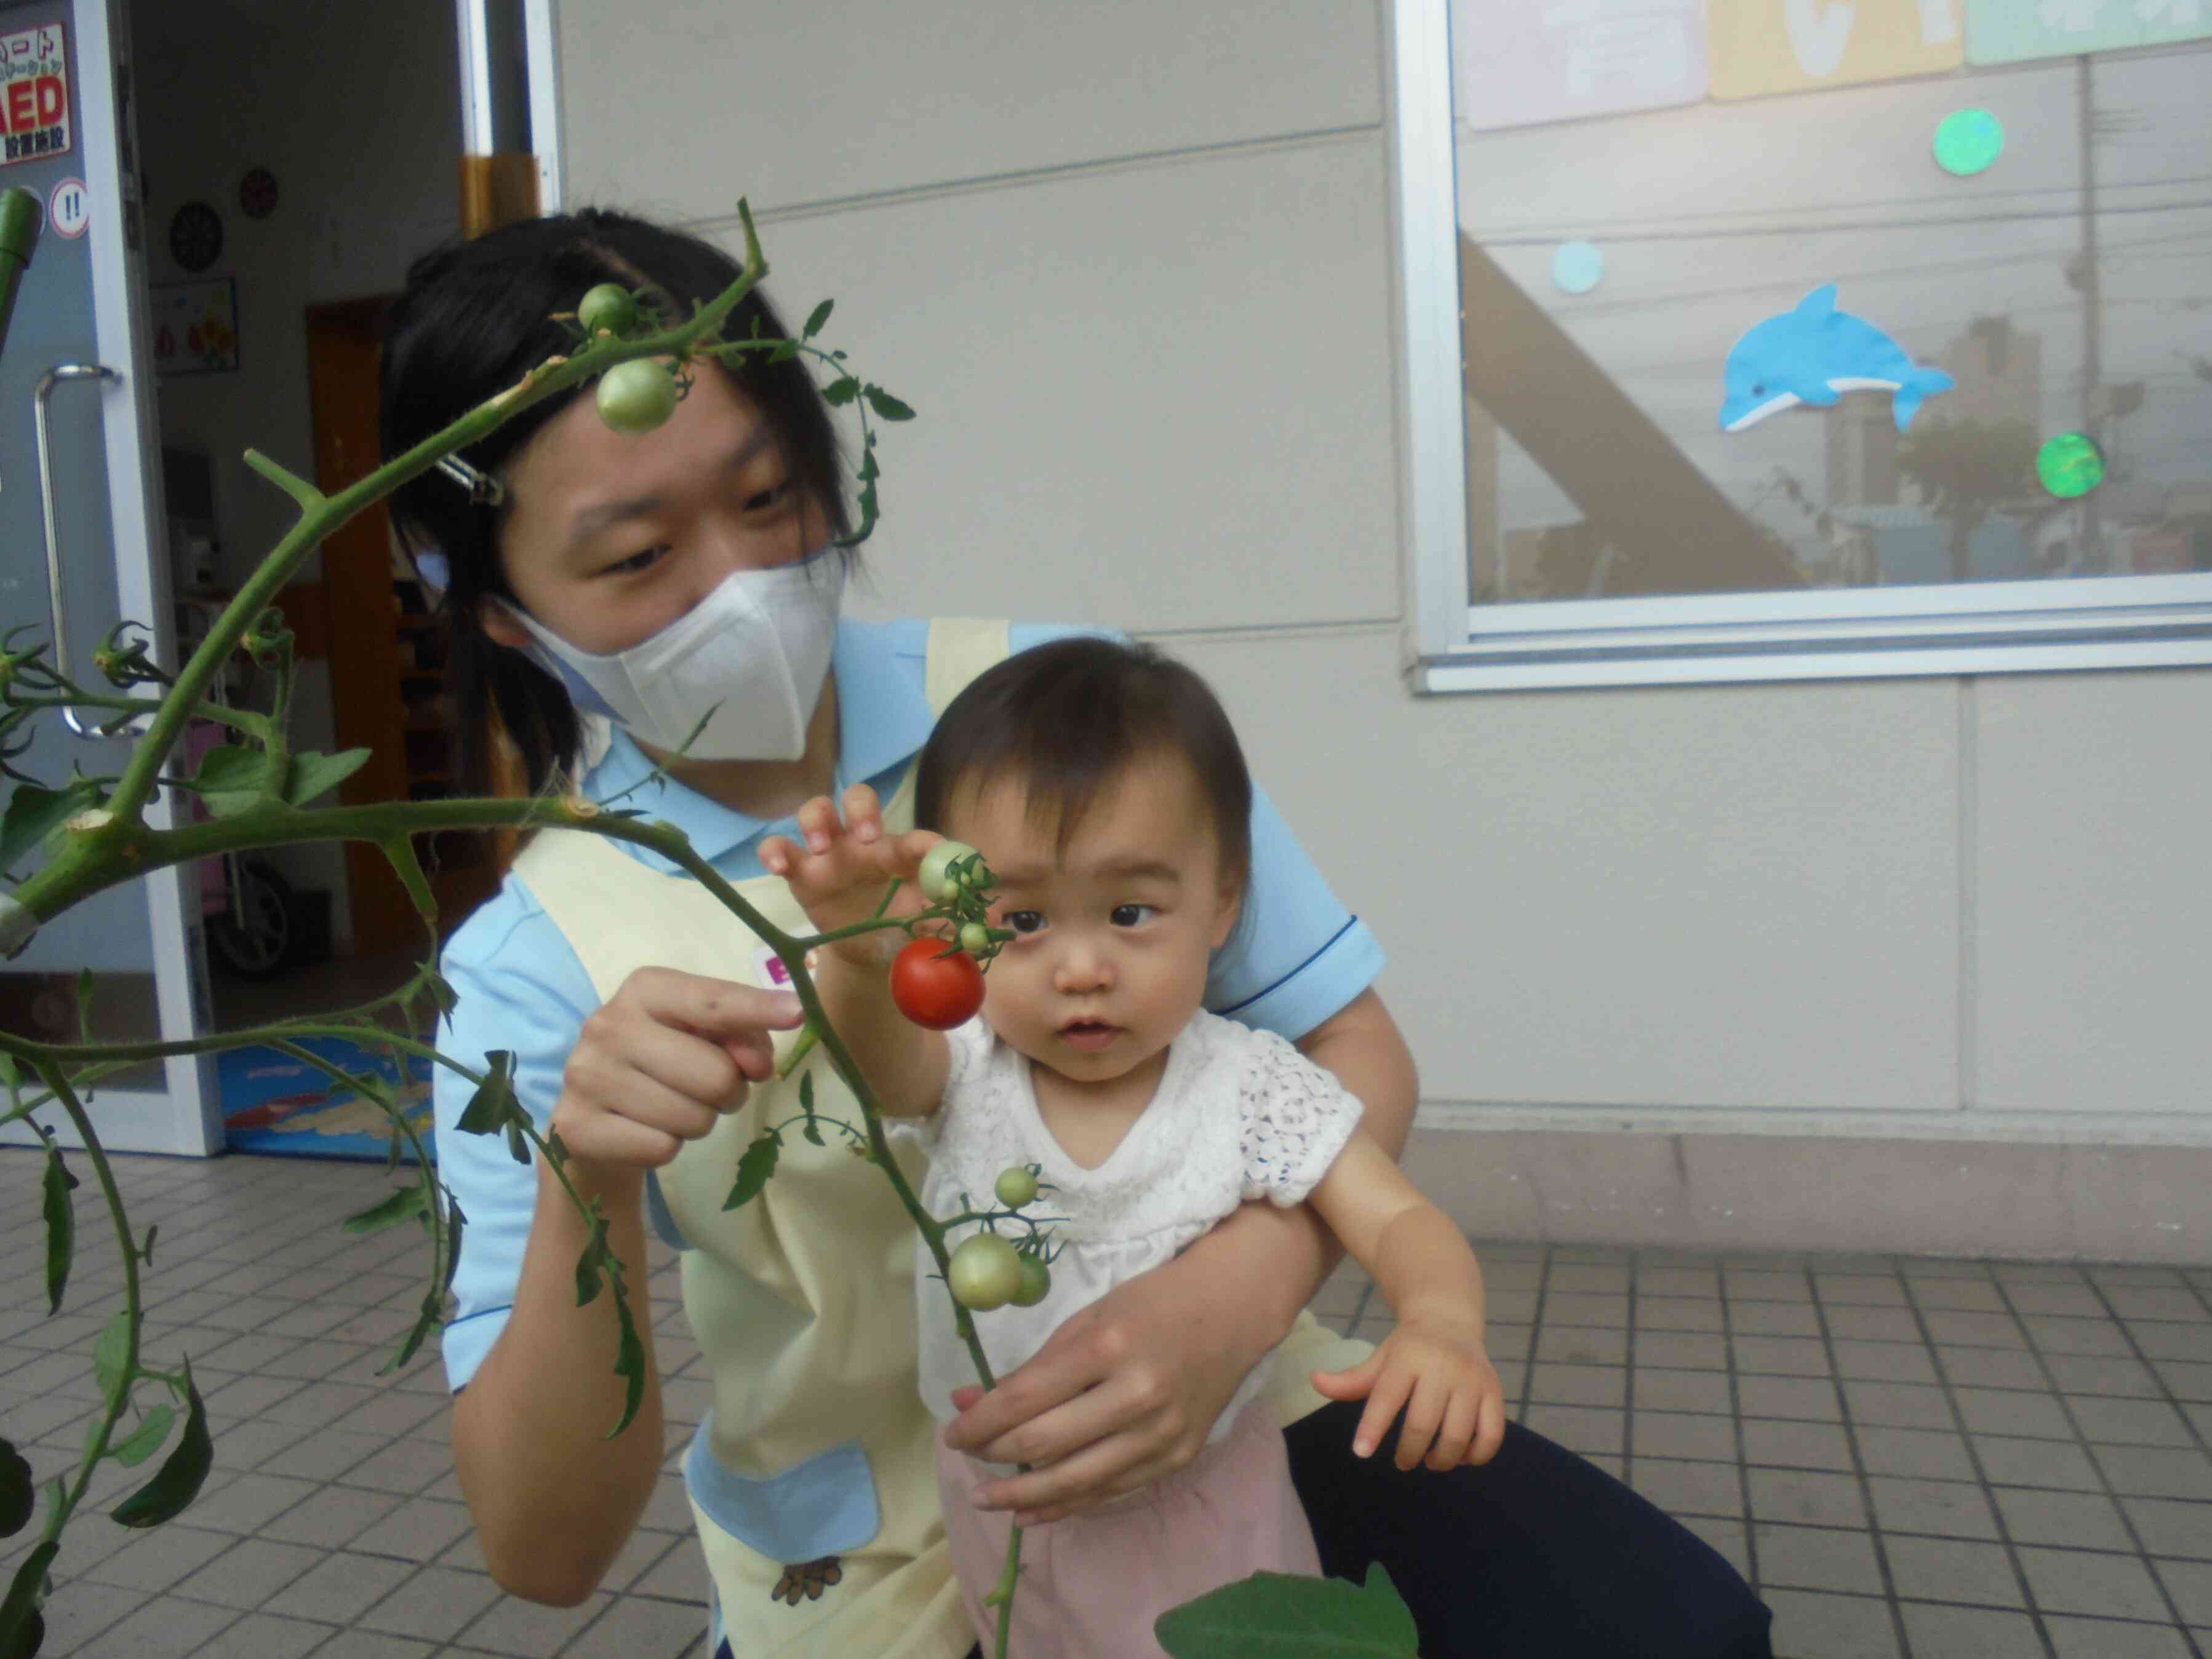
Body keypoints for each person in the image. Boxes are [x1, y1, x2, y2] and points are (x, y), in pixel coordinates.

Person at [380, 207, 1775, 1659]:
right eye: (635, 555)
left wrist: (1234, 1294)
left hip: (1233, 1437)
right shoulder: (536, 959)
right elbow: (542, 1550)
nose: (735, 582)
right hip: (878, 1571)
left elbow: (1347, 1047)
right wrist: (582, 1190)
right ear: (499, 616)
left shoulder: (1053, 709)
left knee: (1677, 1632)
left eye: (771, 495)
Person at [759, 637, 1509, 1655]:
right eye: (1022, 918)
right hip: (997, 1506)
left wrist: (1443, 1321)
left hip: (1201, 1504)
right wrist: (853, 948)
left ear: (1224, 901)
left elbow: (1400, 1217)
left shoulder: (1249, 1086)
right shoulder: (969, 1070)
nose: (1080, 967)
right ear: (956, 920)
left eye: (1129, 912)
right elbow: (877, 1062)